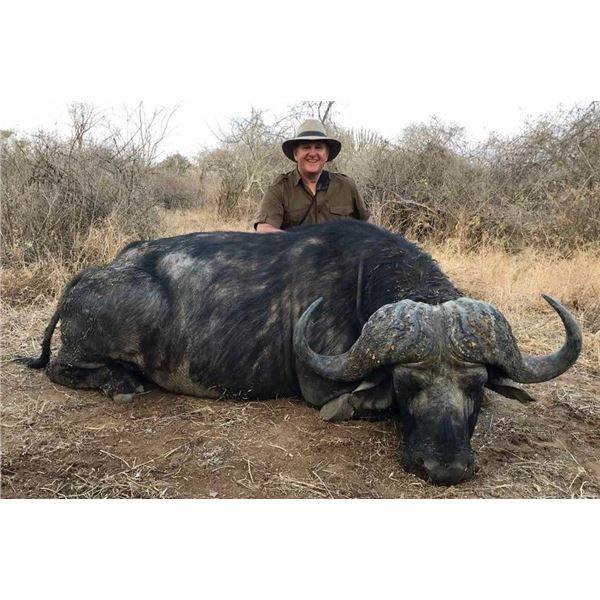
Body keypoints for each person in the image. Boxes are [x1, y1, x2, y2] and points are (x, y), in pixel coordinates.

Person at [253, 119, 370, 233]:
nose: (313, 153)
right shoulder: (280, 188)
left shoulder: (346, 186)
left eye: (318, 147)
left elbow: (369, 227)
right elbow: (264, 229)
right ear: (295, 154)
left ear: (327, 154)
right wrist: (302, 242)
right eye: (306, 147)